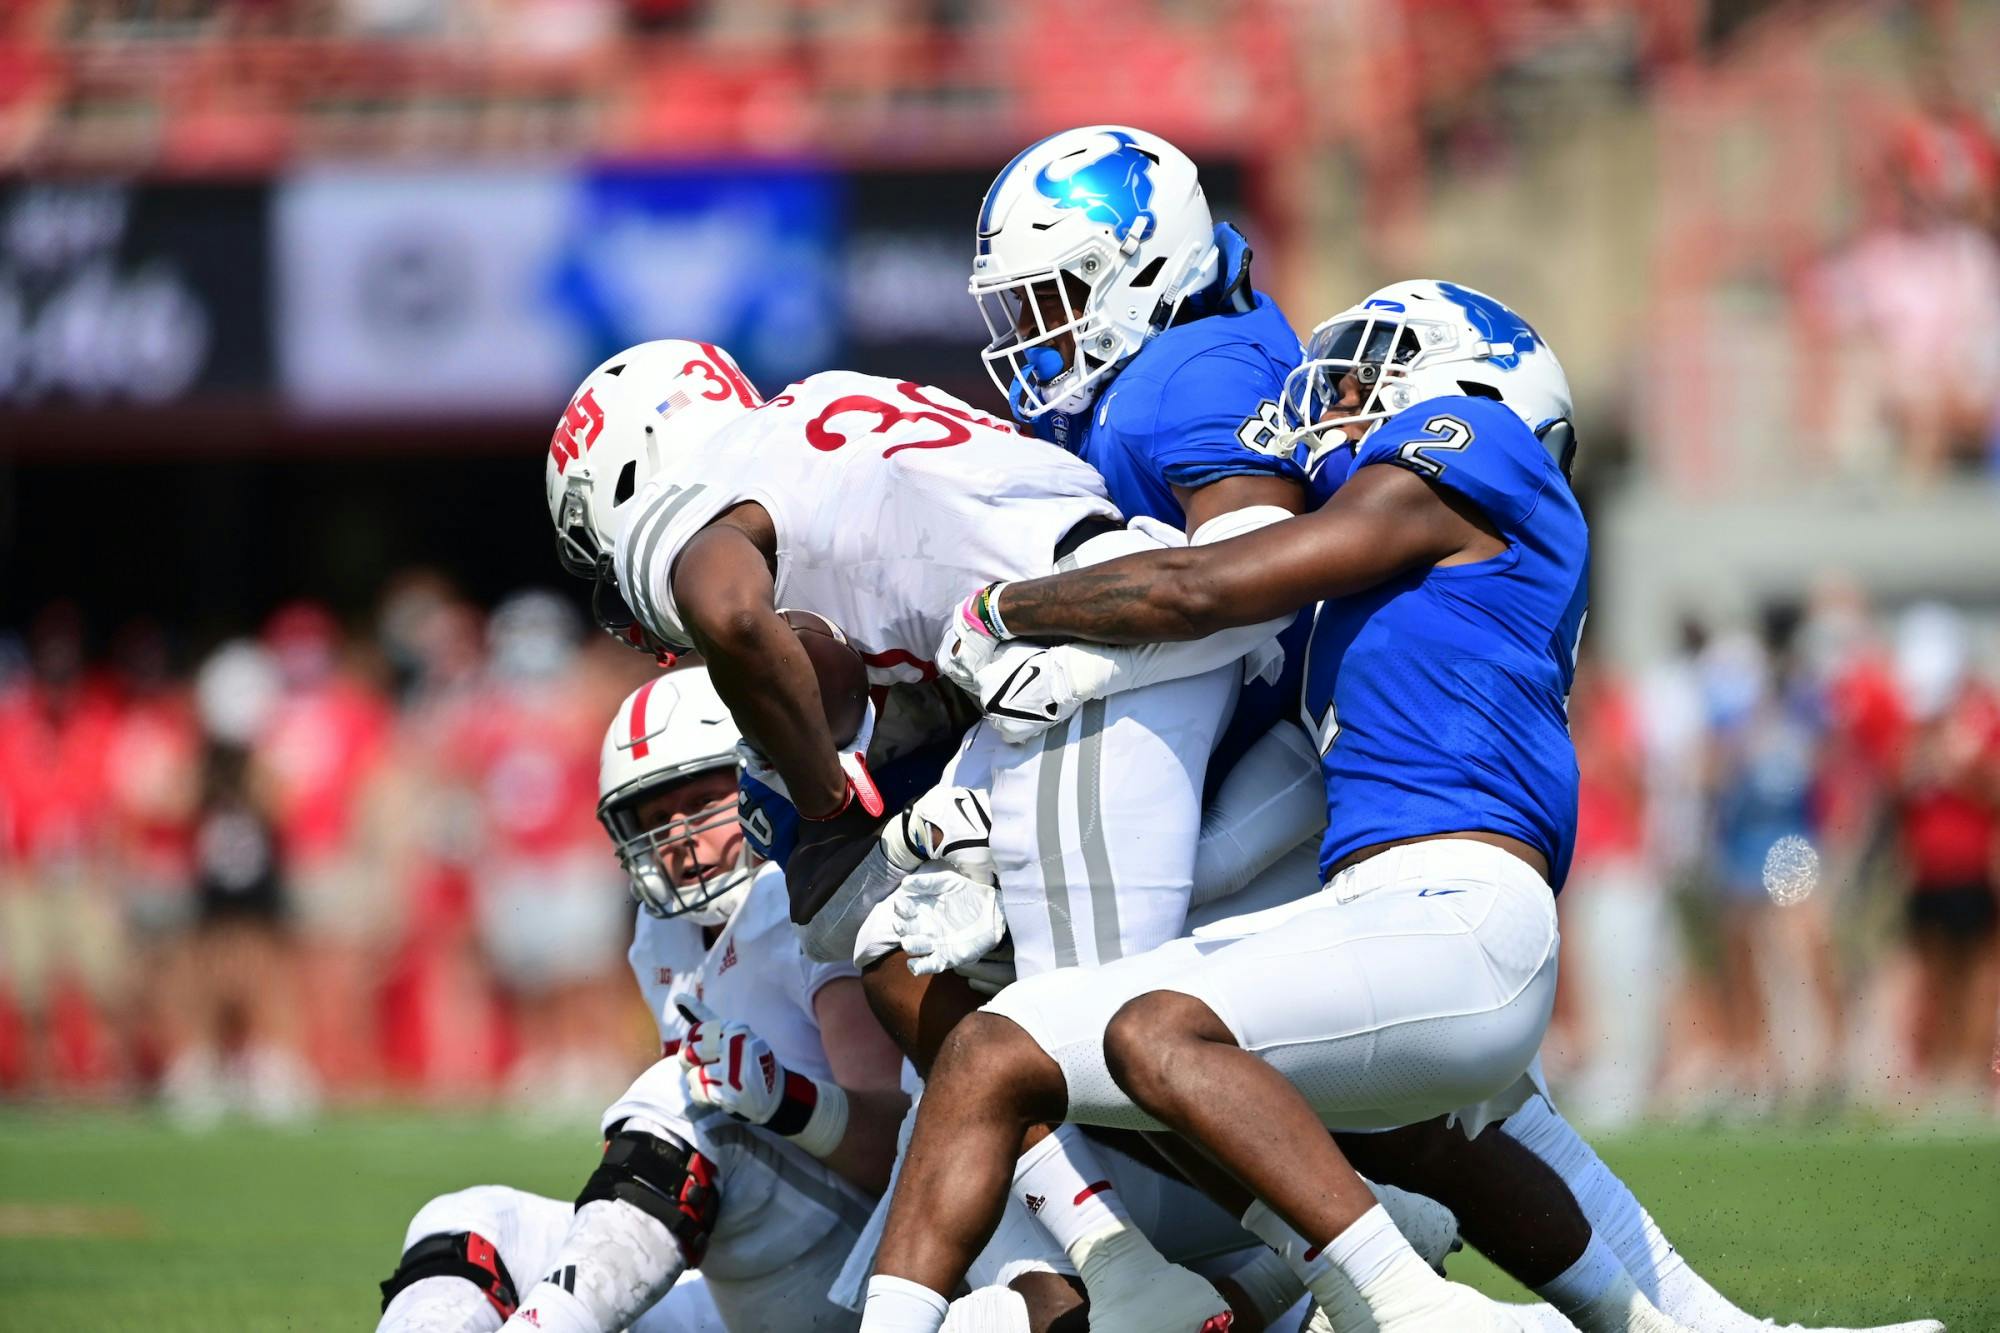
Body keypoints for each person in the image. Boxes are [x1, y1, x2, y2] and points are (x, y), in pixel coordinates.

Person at [868, 282, 1944, 1333]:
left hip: (1455, 909)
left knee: (1160, 1032)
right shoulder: (1388, 599)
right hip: (1390, 915)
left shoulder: (1480, 444)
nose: (1333, 397)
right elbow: (1264, 787)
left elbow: (1202, 588)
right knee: (996, 1046)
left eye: (1368, 368)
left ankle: (1407, 1303)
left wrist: (1008, 606)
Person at [543, 330, 1298, 1330]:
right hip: (1092, 640)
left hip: (1092, 657)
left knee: (1087, 1037)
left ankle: (1326, 1252)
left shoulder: (705, 496)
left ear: (629, 473)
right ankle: (1197, 1267)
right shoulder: (820, 408)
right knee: (926, 972)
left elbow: (728, 615)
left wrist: (823, 796)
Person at [377, 667, 909, 1333]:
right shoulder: (662, 933)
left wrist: (789, 1103)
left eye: (700, 803)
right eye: (656, 817)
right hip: (743, 1277)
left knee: (683, 1096)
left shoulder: (806, 900)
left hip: (856, 1270)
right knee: (465, 1223)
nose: (678, 836)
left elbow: (902, 1148)